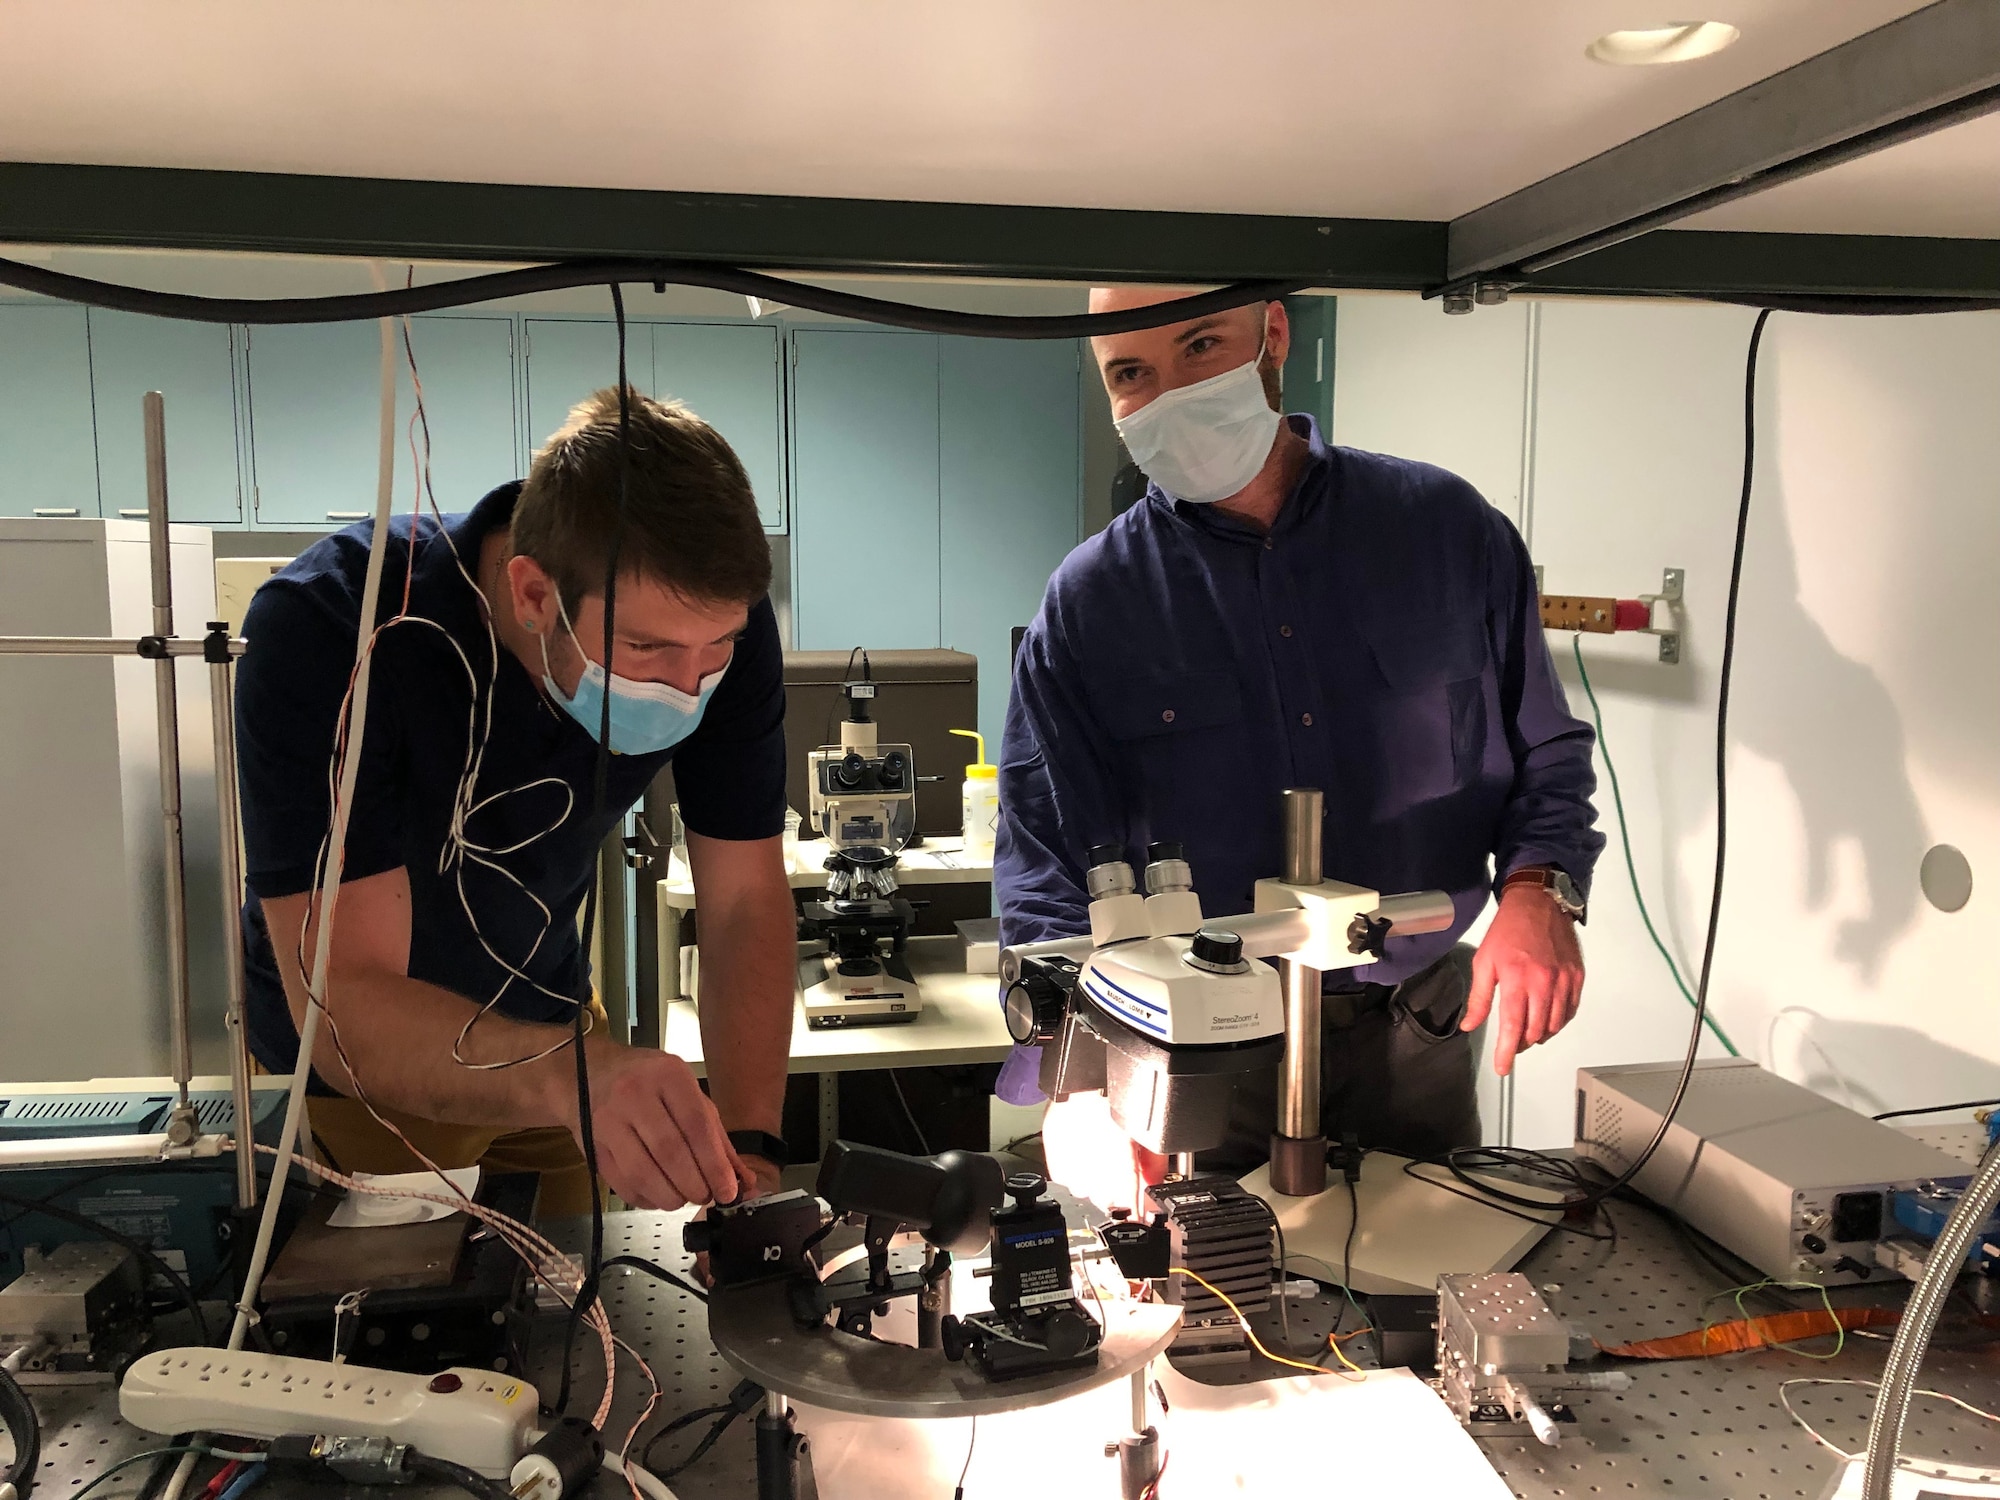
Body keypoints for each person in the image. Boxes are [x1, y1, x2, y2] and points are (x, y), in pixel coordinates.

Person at [994, 289, 1604, 1215]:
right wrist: (1071, 1080)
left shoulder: (1445, 531)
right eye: (1131, 373)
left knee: (1427, 1289)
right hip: (1195, 1042)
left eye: (1201, 346)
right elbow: (1043, 858)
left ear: (1272, 335)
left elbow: (1546, 752)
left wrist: (1539, 892)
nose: (1169, 393)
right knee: (1208, 1313)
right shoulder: (1091, 604)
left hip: (1416, 1033)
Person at [236, 387, 797, 1216]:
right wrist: (571, 1080)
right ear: (534, 594)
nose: (690, 686)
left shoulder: (709, 632)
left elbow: (745, 899)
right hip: (357, 1080)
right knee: (402, 1328)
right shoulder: (333, 630)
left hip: (554, 1035)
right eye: (644, 650)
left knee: (582, 1312)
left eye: (716, 650)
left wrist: (753, 1154)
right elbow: (345, 998)